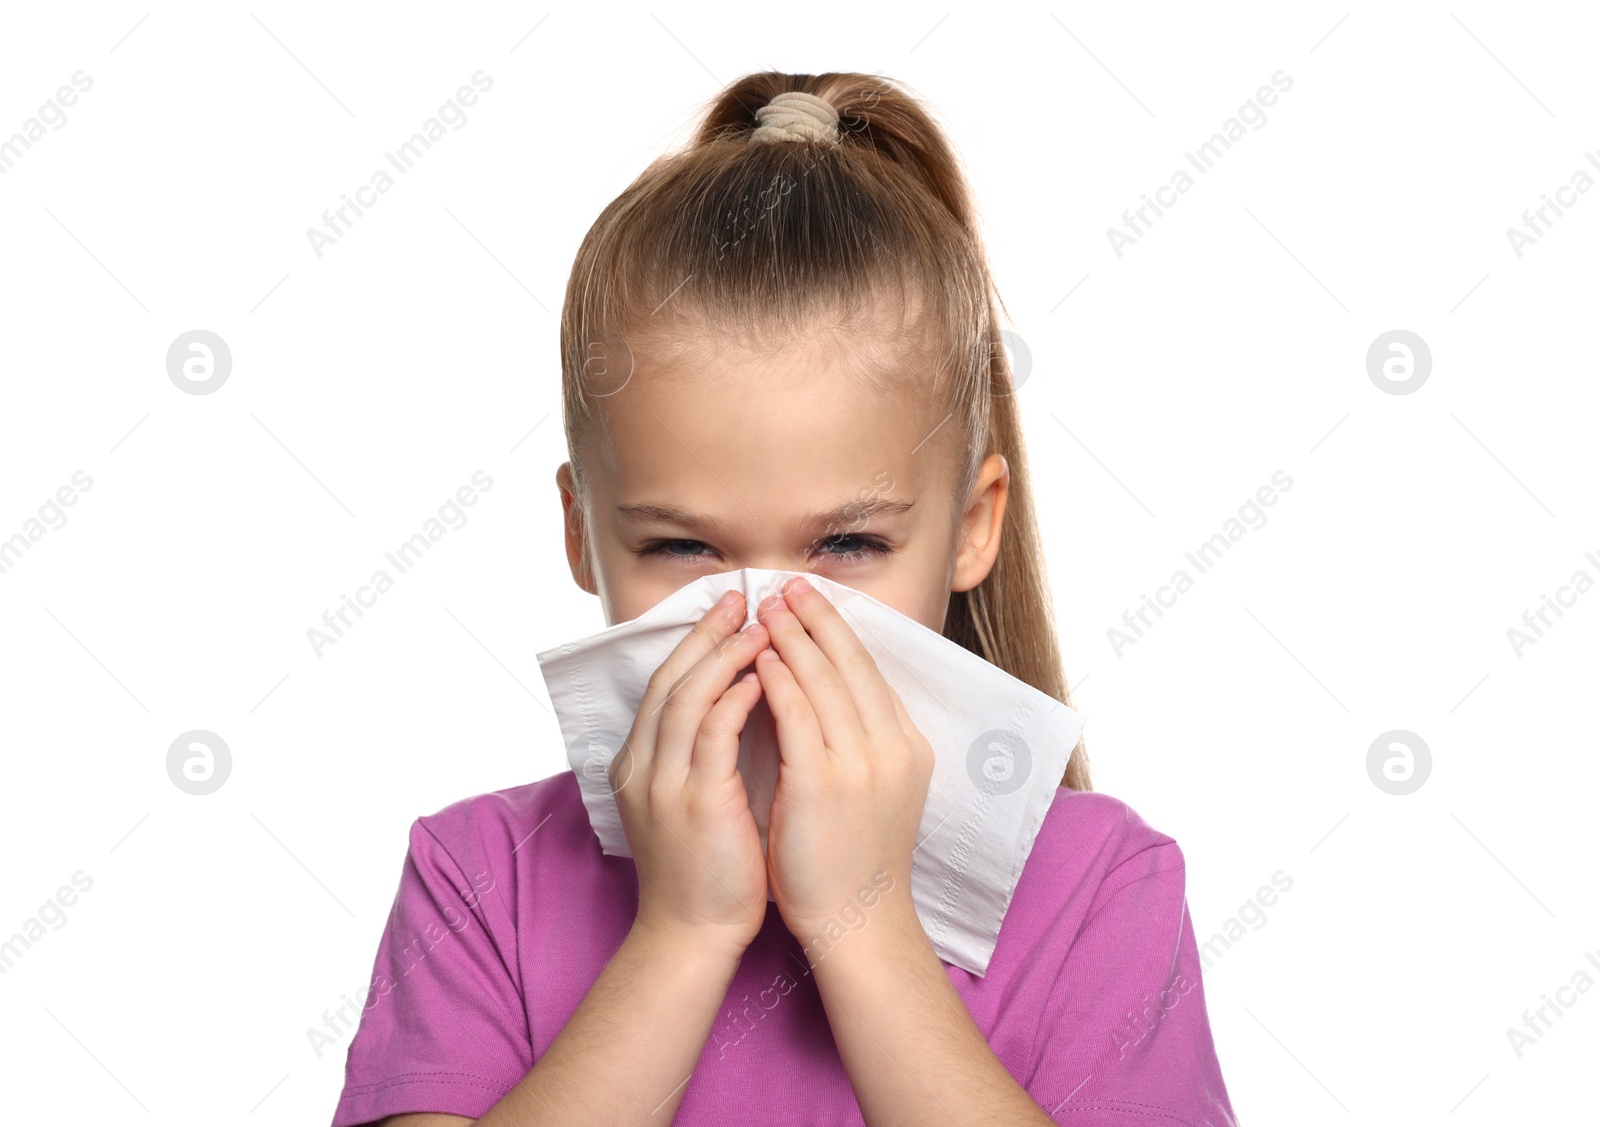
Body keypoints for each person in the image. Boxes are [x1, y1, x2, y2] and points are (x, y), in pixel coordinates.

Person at [330, 71, 1237, 1126]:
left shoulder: (1103, 889)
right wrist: (681, 931)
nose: (765, 623)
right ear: (581, 533)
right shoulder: (479, 878)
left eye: (848, 543)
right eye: (681, 545)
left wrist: (864, 926)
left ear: (973, 525)